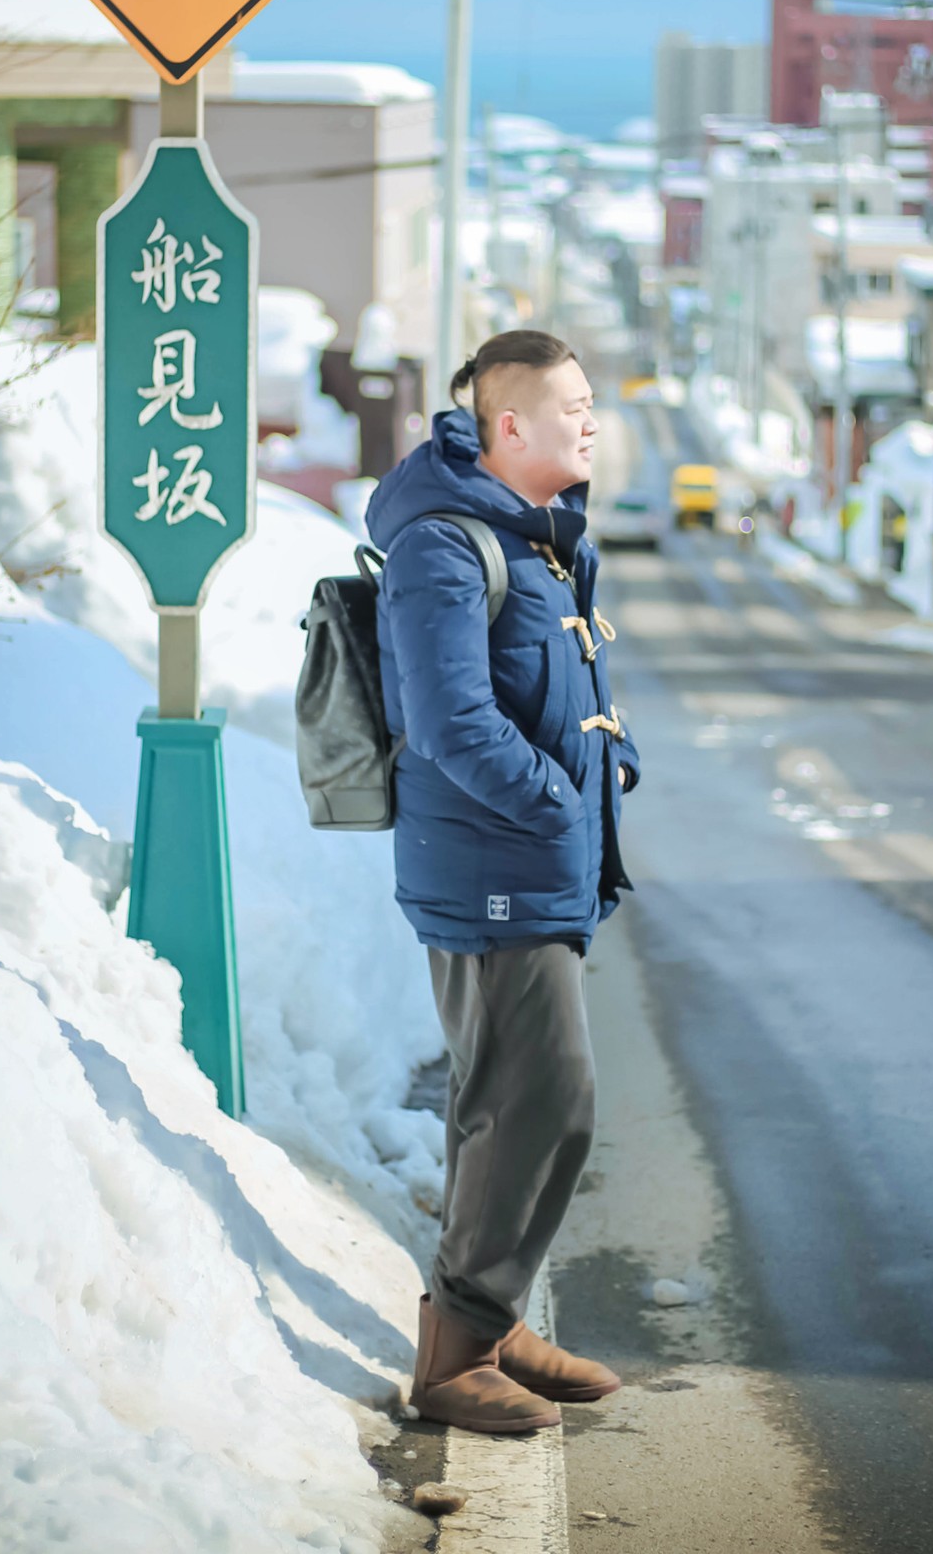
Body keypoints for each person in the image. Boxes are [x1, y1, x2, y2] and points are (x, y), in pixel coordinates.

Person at [366, 329, 640, 1435]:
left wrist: (608, 766)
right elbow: (447, 721)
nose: (591, 420)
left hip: (533, 864)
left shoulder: (540, 538)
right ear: (510, 424)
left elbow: (558, 682)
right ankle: (458, 1348)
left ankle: (490, 1321)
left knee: (519, 1099)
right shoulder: (445, 544)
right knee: (538, 1098)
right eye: (572, 404)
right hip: (491, 870)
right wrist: (554, 798)